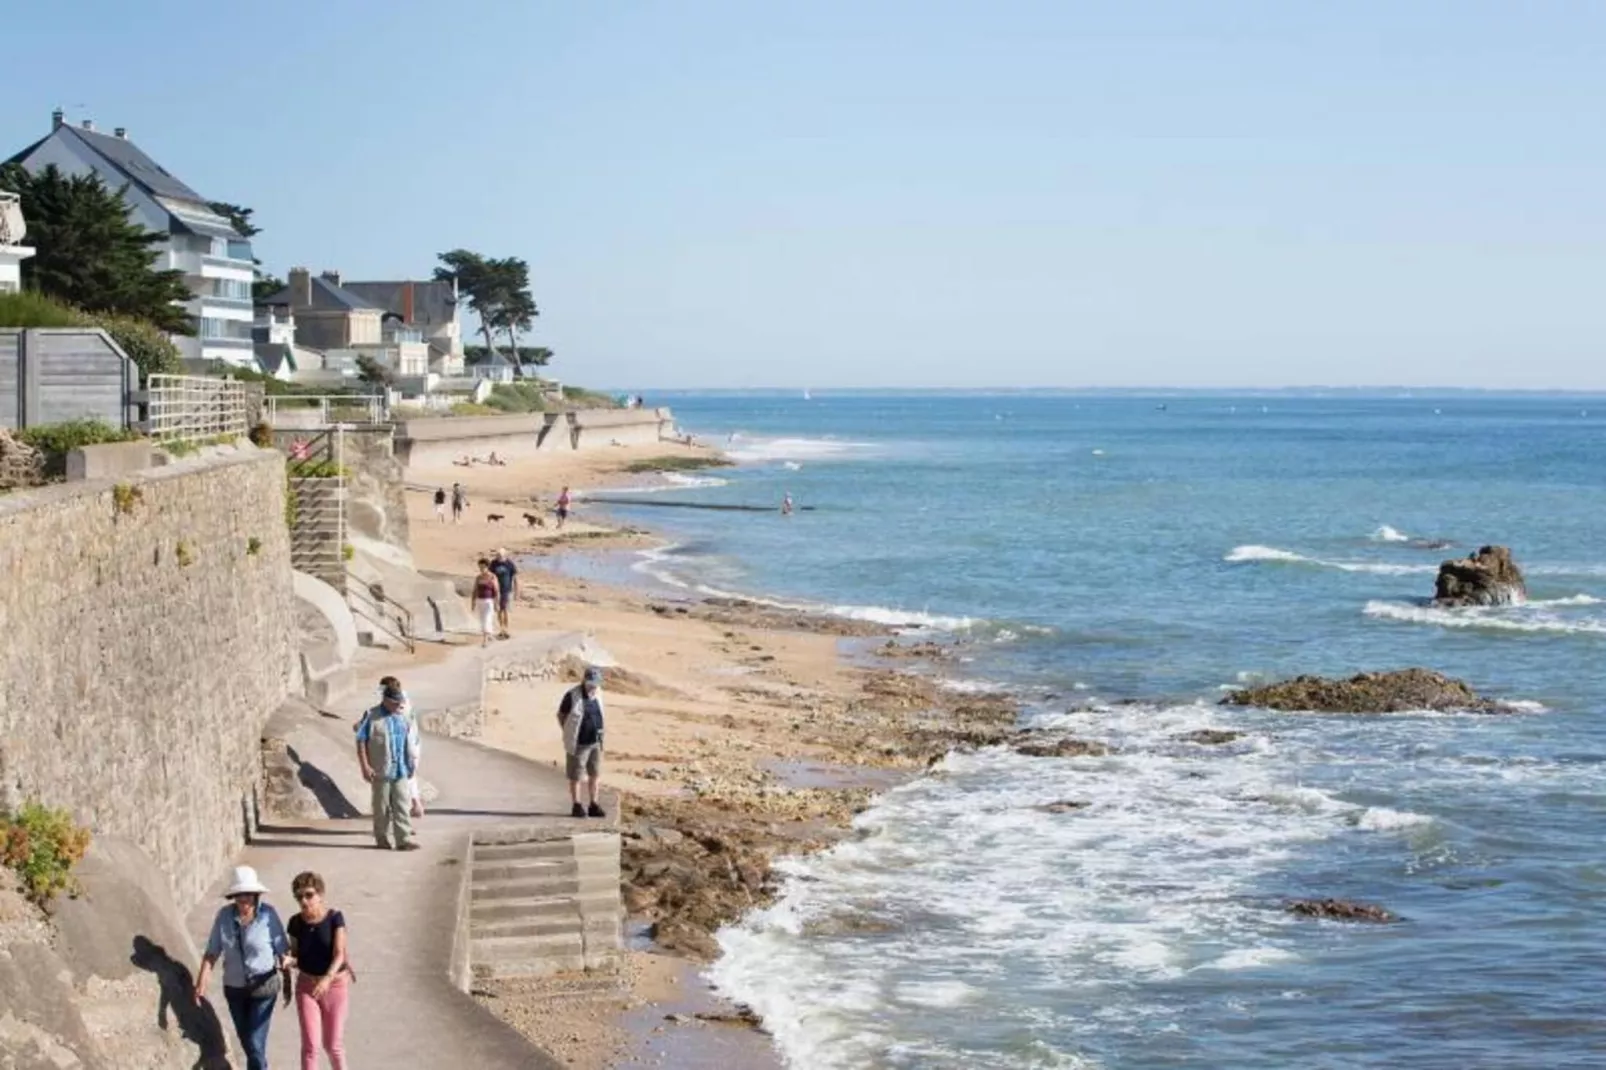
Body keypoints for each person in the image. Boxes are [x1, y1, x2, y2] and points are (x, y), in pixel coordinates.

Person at [194, 865, 290, 1070]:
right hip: (234, 989)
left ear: (255, 895)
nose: (243, 900)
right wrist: (201, 982)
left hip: (264, 988)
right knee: (247, 1042)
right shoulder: (224, 917)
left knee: (255, 1042)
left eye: (247, 895)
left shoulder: (268, 916)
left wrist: (289, 979)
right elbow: (212, 951)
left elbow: (283, 951)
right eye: (239, 895)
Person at [287, 871, 350, 1070]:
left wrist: (327, 979)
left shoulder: (334, 919)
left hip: (335, 985)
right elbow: (297, 956)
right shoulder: (295, 923)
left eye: (309, 895)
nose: (304, 901)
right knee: (310, 1047)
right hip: (306, 986)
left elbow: (339, 954)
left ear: (320, 894)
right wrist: (289, 960)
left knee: (333, 1046)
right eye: (299, 897)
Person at [355, 685, 418, 850]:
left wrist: (411, 763)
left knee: (402, 805)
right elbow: (361, 740)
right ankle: (382, 840)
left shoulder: (402, 717)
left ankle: (403, 840)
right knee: (381, 808)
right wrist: (365, 766)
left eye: (400, 703)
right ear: (386, 701)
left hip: (401, 769)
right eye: (395, 704)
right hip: (381, 769)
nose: (399, 707)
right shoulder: (371, 716)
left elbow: (408, 742)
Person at [360, 676, 423, 819]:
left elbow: (380, 720)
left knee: (396, 790)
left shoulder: (396, 705)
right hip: (412, 746)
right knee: (404, 786)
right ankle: (407, 815)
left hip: (403, 749)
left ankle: (401, 819)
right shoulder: (403, 698)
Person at [556, 667, 607, 818]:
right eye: (591, 683)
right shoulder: (572, 696)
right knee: (576, 776)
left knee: (595, 774)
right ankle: (576, 805)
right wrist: (568, 731)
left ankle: (593, 804)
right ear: (584, 680)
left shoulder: (598, 694)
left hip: (595, 742)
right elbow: (561, 715)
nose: (593, 686)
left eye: (596, 683)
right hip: (578, 743)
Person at [490, 548, 519, 639]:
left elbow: (515, 578)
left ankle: (506, 629)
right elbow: (490, 576)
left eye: (501, 555)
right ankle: (501, 628)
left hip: (507, 590)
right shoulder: (493, 564)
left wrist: (516, 592)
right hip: (496, 590)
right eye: (497, 555)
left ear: (505, 555)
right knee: (499, 610)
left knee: (505, 609)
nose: (499, 557)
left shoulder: (510, 564)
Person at [470, 558, 499, 646]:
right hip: (480, 600)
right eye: (480, 567)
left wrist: (496, 603)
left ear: (487, 567)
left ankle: (485, 639)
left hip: (489, 600)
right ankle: (489, 634)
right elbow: (474, 590)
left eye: (483, 567)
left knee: (487, 618)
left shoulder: (492, 577)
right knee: (482, 619)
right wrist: (473, 602)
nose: (481, 569)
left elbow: (496, 590)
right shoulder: (478, 577)